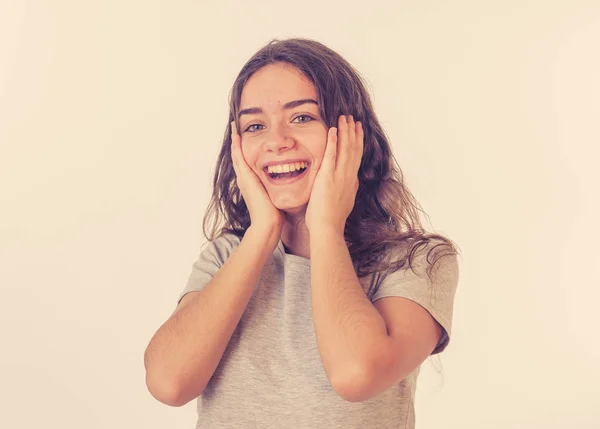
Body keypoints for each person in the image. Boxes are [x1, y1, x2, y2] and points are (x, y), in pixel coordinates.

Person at [144, 37, 460, 429]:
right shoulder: (226, 256)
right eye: (255, 126)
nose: (277, 142)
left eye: (302, 117)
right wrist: (262, 232)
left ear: (351, 135)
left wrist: (325, 227)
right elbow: (168, 383)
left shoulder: (417, 262)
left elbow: (355, 373)